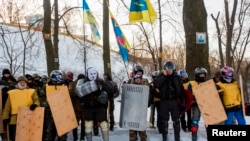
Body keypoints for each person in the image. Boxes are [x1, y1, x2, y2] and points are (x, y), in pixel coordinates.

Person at [152, 61, 186, 141]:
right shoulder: (161, 76)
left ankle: (177, 138)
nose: (169, 70)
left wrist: (183, 101)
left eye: (171, 68)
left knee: (176, 120)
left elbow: (181, 90)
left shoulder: (177, 77)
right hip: (164, 101)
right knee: (164, 121)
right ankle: (164, 137)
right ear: (165, 69)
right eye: (168, 68)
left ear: (173, 69)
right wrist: (164, 76)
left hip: (174, 101)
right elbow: (156, 84)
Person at [2, 76, 40, 141]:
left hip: (28, 117)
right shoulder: (11, 93)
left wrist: (35, 105)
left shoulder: (32, 91)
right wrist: (5, 117)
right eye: (21, 82)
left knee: (27, 136)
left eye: (24, 82)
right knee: (15, 137)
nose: (23, 83)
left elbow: (36, 100)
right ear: (17, 83)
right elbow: (7, 106)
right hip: (14, 118)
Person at [81, 67, 113, 141]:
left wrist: (107, 87)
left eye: (94, 73)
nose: (93, 75)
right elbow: (79, 93)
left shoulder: (100, 81)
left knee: (104, 124)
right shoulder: (84, 82)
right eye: (91, 74)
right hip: (88, 107)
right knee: (88, 125)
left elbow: (109, 90)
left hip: (100, 107)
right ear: (87, 74)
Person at [128, 65, 150, 141]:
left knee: (142, 131)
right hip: (132, 111)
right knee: (132, 132)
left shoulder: (145, 82)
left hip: (141, 111)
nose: (139, 75)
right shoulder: (130, 82)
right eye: (137, 73)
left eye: (140, 73)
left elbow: (148, 93)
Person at [188, 67, 208, 141]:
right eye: (201, 75)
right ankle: (194, 135)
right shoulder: (192, 83)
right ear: (197, 75)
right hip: (196, 104)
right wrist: (192, 99)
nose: (203, 76)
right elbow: (188, 94)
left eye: (204, 75)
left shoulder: (208, 84)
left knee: (208, 120)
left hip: (206, 104)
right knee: (195, 120)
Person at [67, 72, 86, 141]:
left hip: (84, 107)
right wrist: (80, 91)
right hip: (75, 107)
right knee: (75, 123)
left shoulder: (86, 84)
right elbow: (71, 93)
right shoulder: (72, 84)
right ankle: (75, 137)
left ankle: (82, 136)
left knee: (84, 123)